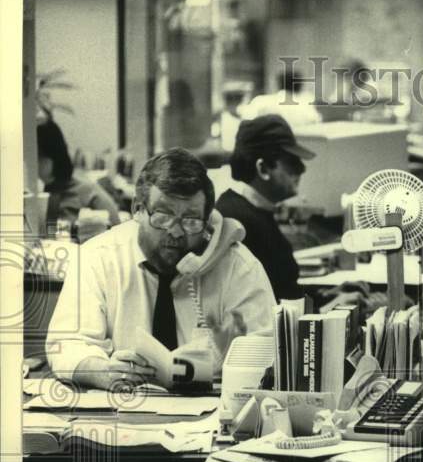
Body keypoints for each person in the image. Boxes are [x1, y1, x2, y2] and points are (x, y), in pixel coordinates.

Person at [46, 148, 276, 389]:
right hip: (127, 411)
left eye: (191, 220)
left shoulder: (237, 267)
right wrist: (99, 369)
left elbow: (266, 349)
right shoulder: (98, 257)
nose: (176, 232)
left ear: (208, 222)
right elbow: (66, 342)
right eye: (163, 216)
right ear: (137, 209)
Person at [214, 115, 315, 301]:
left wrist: (325, 296)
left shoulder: (252, 210)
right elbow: (274, 298)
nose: (302, 169)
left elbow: (280, 287)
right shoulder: (236, 221)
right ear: (263, 168)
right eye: (292, 161)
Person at [36, 119, 121, 238]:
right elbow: (50, 233)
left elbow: (116, 226)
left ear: (53, 155)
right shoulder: (50, 188)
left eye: (38, 157)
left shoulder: (84, 191)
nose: (33, 163)